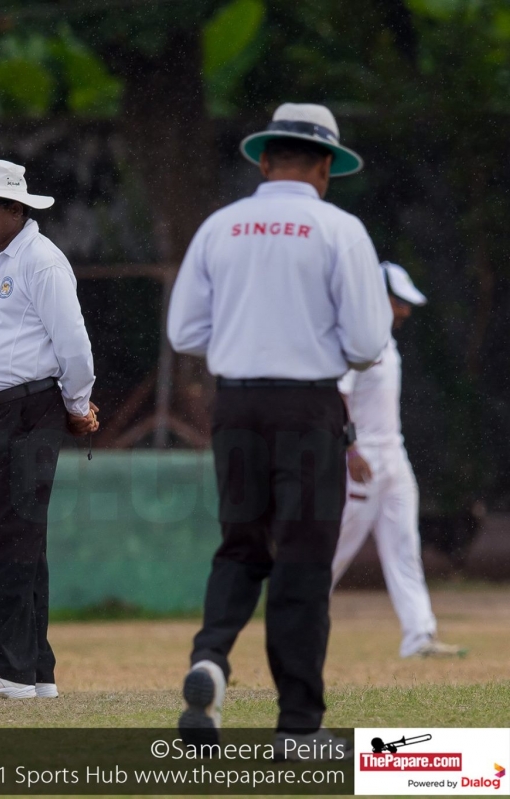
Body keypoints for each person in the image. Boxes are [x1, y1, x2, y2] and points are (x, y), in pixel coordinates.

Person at [167, 104, 391, 752]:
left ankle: (210, 657)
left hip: (236, 406)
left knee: (241, 545)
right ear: (325, 168)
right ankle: (297, 725)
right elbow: (368, 343)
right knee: (302, 558)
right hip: (308, 409)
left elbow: (184, 332)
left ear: (265, 161)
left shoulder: (219, 227)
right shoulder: (340, 230)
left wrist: (246, 338)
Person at [0, 159, 99, 700]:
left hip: (25, 413)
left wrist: (77, 405)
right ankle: (35, 670)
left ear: (15, 208)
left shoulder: (41, 261)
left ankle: (7, 669)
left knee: (11, 537)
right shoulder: (4, 259)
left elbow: (73, 344)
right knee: (16, 538)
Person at [332, 262, 465, 658]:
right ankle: (293, 617)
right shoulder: (357, 340)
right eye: (399, 302)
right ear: (377, 297)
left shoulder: (387, 342)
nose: (405, 311)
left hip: (394, 455)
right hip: (362, 459)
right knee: (334, 548)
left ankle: (419, 636)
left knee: (405, 547)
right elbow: (339, 396)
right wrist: (351, 449)